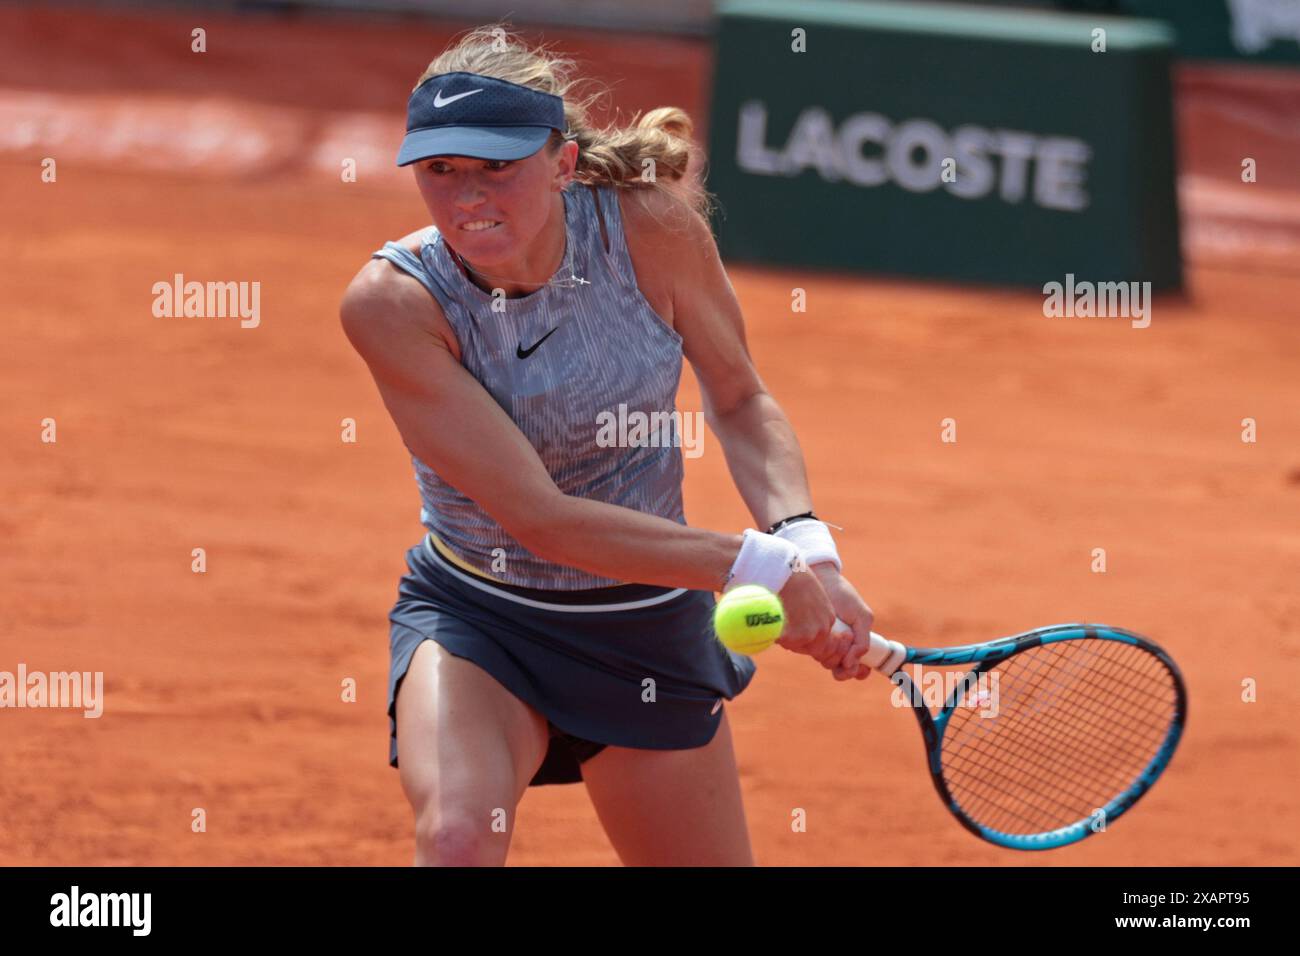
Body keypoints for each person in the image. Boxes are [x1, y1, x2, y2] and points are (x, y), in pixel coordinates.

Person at [340, 24, 875, 867]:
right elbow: (541, 520)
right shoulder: (393, 304)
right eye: (441, 169)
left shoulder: (650, 230)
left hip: (645, 627)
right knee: (455, 841)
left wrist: (809, 544)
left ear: (562, 163)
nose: (467, 196)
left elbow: (737, 397)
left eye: (497, 167)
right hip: (481, 616)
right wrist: (760, 566)